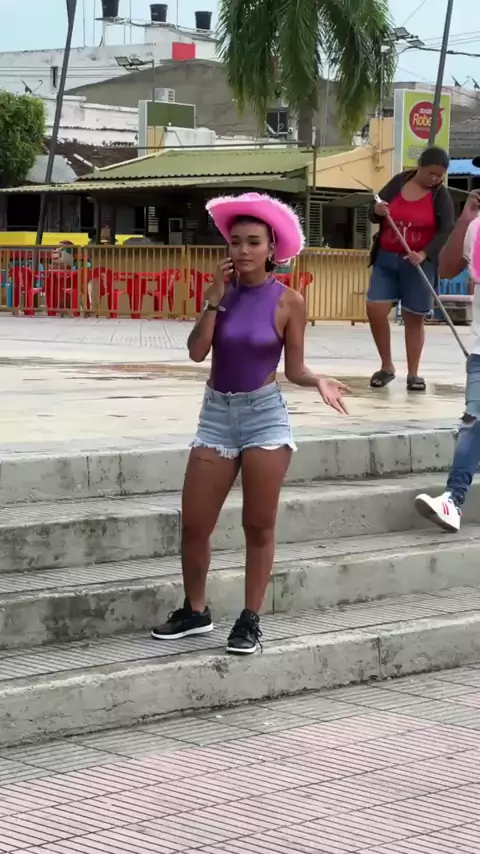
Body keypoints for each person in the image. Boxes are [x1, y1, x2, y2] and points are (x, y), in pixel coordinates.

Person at [151, 192, 350, 654]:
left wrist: (318, 380)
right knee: (194, 525)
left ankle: (249, 621)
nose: (242, 250)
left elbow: (294, 368)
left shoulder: (289, 301)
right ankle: (196, 611)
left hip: (264, 417)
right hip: (216, 416)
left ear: (271, 248)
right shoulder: (221, 295)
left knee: (258, 525)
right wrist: (212, 301)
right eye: (235, 241)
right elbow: (196, 352)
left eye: (253, 242)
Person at [415, 181, 480, 532]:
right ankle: (452, 501)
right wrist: (465, 219)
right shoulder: (477, 228)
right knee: (474, 420)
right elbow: (447, 268)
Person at [367, 146, 455, 392]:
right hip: (387, 258)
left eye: (440, 175)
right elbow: (375, 208)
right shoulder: (398, 182)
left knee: (414, 317)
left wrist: (424, 253)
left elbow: (446, 230)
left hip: (418, 264)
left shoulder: (440, 196)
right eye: (431, 173)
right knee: (375, 309)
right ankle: (386, 366)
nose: (435, 179)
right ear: (420, 166)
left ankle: (413, 373)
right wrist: (377, 210)